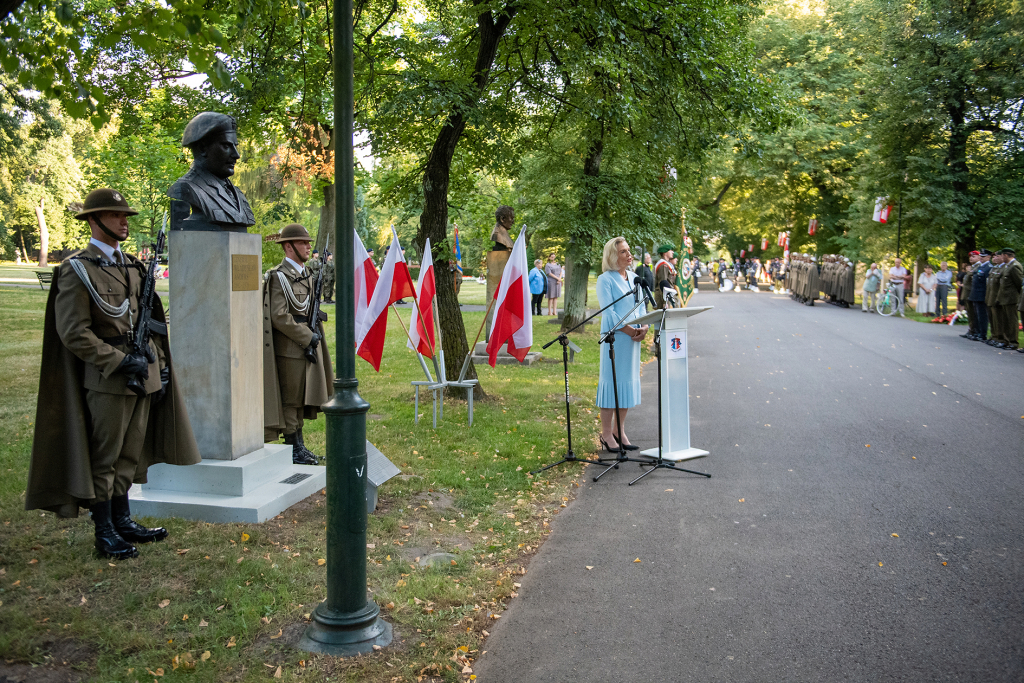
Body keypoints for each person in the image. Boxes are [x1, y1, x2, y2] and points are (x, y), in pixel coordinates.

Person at [25, 188, 201, 560]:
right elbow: (73, 332)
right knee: (105, 456)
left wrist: (160, 366)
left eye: (125, 216)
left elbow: (148, 321)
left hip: (144, 372)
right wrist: (119, 362)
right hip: (109, 378)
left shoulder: (132, 266)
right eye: (115, 215)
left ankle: (123, 520)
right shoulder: (78, 270)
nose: (124, 221)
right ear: (93, 220)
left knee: (130, 452)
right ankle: (104, 531)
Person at [262, 223, 334, 465]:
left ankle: (300, 446)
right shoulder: (278, 277)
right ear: (288, 247)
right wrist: (306, 336)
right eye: (303, 243)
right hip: (291, 349)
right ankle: (293, 448)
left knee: (303, 397)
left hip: (308, 345)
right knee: (291, 399)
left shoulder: (307, 275)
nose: (308, 246)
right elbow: (279, 316)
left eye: (308, 242)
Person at [596, 237, 648, 454]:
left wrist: (644, 326)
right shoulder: (604, 280)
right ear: (612, 255)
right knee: (612, 384)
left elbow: (642, 306)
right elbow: (609, 312)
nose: (629, 255)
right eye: (623, 252)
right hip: (615, 339)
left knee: (626, 383)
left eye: (629, 251)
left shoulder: (635, 278)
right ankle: (606, 433)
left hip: (633, 340)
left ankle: (620, 431)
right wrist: (628, 329)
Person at [167, 112, 255, 228]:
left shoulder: (237, 193)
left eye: (235, 146)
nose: (236, 155)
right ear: (203, 148)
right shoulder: (187, 187)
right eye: (226, 146)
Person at [994, 248, 1021, 349]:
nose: (1001, 257)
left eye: (1002, 255)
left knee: (1012, 321)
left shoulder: (1015, 266)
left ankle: (1013, 342)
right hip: (1004, 298)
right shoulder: (1007, 266)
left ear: (1005, 255)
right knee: (1005, 321)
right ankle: (1007, 340)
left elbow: (1018, 284)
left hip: (1011, 299)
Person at [967, 250, 992, 340]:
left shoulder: (989, 267)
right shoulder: (980, 266)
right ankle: (977, 332)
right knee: (977, 315)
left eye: (983, 256)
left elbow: (987, 284)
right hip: (976, 294)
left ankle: (982, 334)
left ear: (988, 257)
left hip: (982, 294)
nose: (981, 257)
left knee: (982, 315)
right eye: (981, 256)